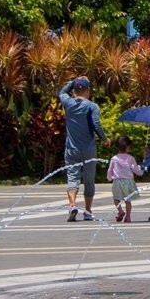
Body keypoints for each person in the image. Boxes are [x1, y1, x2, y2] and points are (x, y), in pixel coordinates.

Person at [58, 76, 104, 222]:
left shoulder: (68, 103)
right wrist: (105, 138)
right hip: (89, 149)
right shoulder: (92, 106)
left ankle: (72, 205)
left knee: (72, 177)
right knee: (89, 180)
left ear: (75, 90)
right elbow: (96, 125)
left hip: (71, 149)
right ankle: (88, 211)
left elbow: (62, 92)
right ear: (88, 90)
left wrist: (74, 81)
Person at [107, 137, 140, 223]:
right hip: (128, 181)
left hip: (117, 181)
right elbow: (136, 170)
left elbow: (110, 170)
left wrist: (109, 177)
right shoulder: (130, 158)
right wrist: (141, 171)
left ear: (117, 147)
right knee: (128, 200)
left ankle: (120, 211)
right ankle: (128, 217)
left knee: (116, 199)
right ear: (128, 147)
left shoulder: (114, 158)